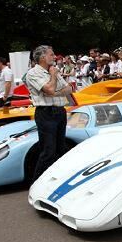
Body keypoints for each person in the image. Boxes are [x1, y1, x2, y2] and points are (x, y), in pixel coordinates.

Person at [25, 45, 75, 181]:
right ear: (42, 57)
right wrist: (53, 76)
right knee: (48, 151)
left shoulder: (53, 71)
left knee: (61, 148)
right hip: (46, 113)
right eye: (51, 55)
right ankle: (36, 183)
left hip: (59, 111)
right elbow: (49, 89)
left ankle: (58, 180)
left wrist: (55, 92)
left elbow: (69, 89)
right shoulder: (33, 73)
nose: (54, 57)